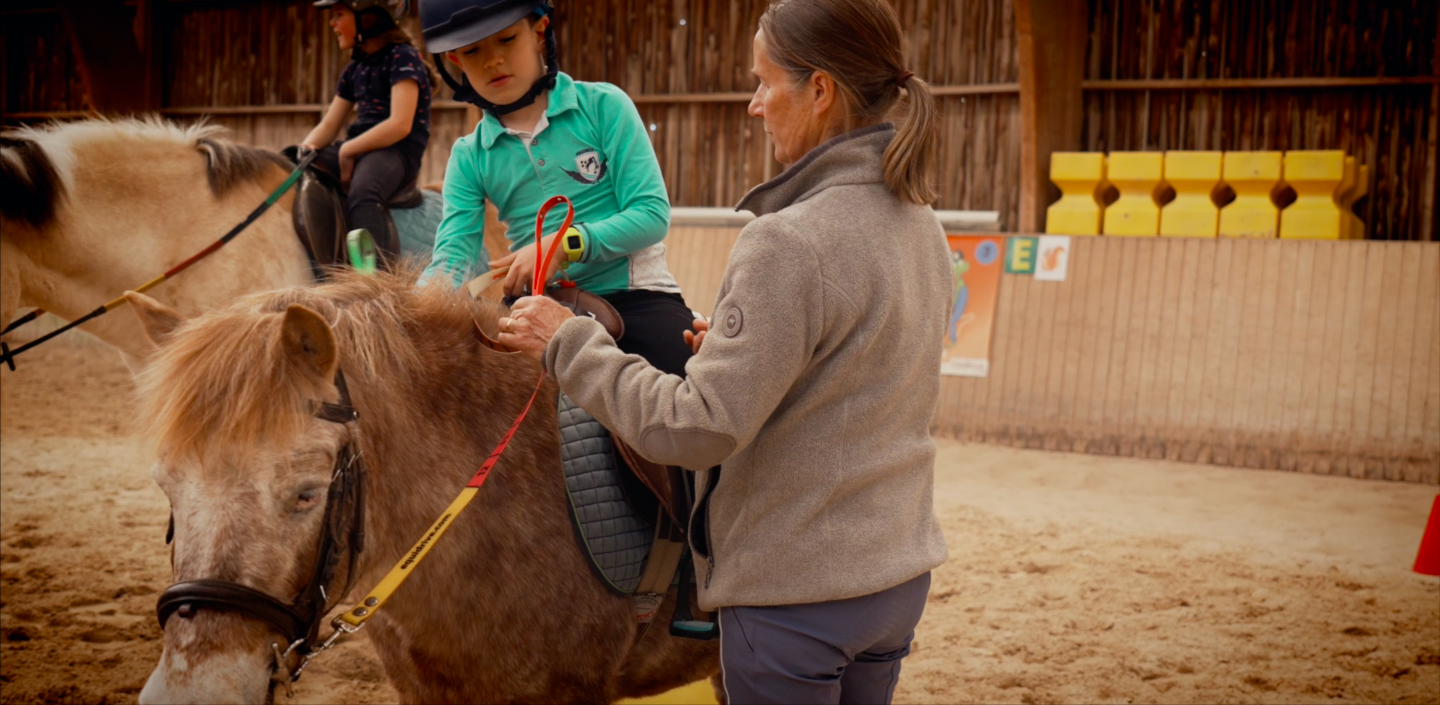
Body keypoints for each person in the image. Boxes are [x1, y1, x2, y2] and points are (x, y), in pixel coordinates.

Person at [496, 0, 951, 702]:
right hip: (894, 575)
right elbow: (862, 369)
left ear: (821, 90)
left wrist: (568, 341)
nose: (753, 105)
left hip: (797, 596)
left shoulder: (785, 241)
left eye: (765, 83)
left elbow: (695, 427)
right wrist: (754, 349)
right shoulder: (922, 222)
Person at [417, 0, 694, 378]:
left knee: (686, 402)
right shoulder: (468, 156)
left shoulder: (604, 106)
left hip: (633, 298)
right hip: (532, 309)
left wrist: (561, 247)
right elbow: (452, 257)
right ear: (455, 61)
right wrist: (413, 308)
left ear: (540, 31)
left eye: (506, 39)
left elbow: (650, 214)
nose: (492, 60)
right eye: (473, 50)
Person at [301, 0, 433, 265]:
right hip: (362, 145)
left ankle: (373, 282)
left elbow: (400, 124)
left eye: (339, 15)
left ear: (369, 18)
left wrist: (349, 149)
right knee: (299, 166)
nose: (332, 23)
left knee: (364, 192)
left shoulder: (403, 57)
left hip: (396, 150)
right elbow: (329, 125)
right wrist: (301, 153)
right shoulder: (354, 68)